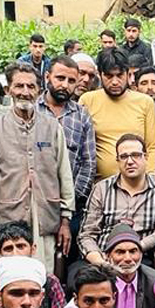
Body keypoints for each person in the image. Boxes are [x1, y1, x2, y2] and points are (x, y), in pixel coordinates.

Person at [0, 62, 75, 271]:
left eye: (31, 87)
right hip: (7, 222)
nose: (25, 92)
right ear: (8, 90)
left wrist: (65, 220)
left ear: (39, 90)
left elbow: (64, 175)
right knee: (6, 284)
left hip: (45, 222)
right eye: (19, 86)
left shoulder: (52, 127)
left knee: (42, 281)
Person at [78, 134, 155, 265]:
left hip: (139, 257)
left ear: (146, 157)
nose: (130, 161)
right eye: (124, 156)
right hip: (103, 255)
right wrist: (98, 260)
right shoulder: (101, 188)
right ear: (117, 160)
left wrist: (134, 249)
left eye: (136, 155)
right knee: (76, 278)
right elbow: (87, 234)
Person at [80, 48, 155, 180]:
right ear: (100, 75)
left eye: (119, 75)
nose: (115, 82)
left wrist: (150, 179)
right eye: (109, 76)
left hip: (139, 183)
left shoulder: (145, 102)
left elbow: (152, 146)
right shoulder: (88, 100)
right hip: (100, 186)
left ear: (128, 75)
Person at [39, 55, 98, 225]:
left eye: (71, 81)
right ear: (47, 76)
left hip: (72, 207)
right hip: (35, 203)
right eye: (60, 78)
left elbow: (88, 162)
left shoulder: (81, 115)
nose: (65, 85)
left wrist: (71, 198)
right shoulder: (33, 111)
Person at [98, 225, 155, 308]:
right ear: (107, 256)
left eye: (133, 251)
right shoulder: (96, 281)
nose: (128, 258)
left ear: (141, 254)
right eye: (120, 252)